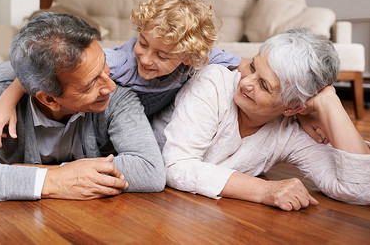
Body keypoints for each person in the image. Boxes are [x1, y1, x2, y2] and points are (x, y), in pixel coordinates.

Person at [0, 13, 165, 201]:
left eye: (104, 65)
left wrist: (28, 171)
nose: (110, 85)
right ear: (48, 98)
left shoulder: (118, 91)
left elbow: (150, 170)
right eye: (91, 83)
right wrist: (52, 180)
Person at [0, 0, 245, 147]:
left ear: (188, 57)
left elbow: (243, 64)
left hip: (154, 125)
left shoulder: (197, 61)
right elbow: (41, 69)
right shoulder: (119, 62)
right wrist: (6, 101)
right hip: (110, 124)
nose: (145, 59)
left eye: (162, 56)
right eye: (143, 43)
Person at [152, 27, 370, 211]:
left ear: (293, 107)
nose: (246, 82)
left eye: (264, 85)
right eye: (253, 67)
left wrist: (329, 101)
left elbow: (359, 187)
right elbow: (176, 166)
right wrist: (265, 190)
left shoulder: (289, 132)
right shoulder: (214, 82)